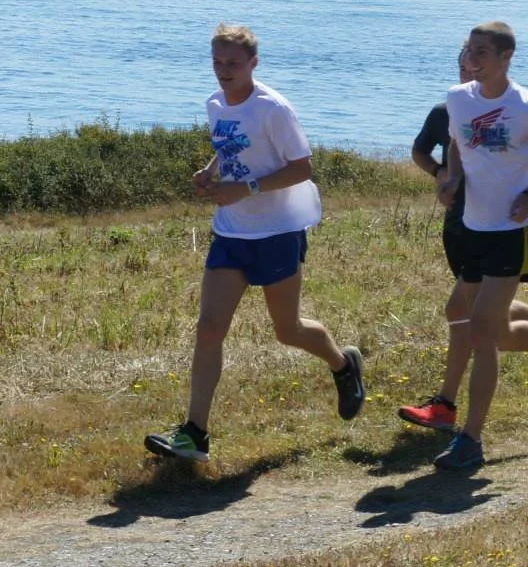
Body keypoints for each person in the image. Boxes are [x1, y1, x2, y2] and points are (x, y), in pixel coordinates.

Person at [145, 24, 364, 462]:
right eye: (217, 62)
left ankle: (343, 364)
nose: (223, 71)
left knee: (288, 330)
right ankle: (195, 434)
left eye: (233, 63)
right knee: (209, 328)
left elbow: (301, 167)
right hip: (231, 230)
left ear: (253, 64)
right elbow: (231, 147)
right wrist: (210, 171)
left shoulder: (273, 108)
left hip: (277, 230)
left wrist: (245, 189)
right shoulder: (214, 104)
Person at [430, 22, 528, 471]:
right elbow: (457, 143)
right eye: (469, 50)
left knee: (483, 332)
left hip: (513, 228)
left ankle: (471, 439)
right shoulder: (458, 98)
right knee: (462, 316)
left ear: (505, 57)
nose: (472, 58)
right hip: (473, 225)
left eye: (482, 51)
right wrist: (453, 179)